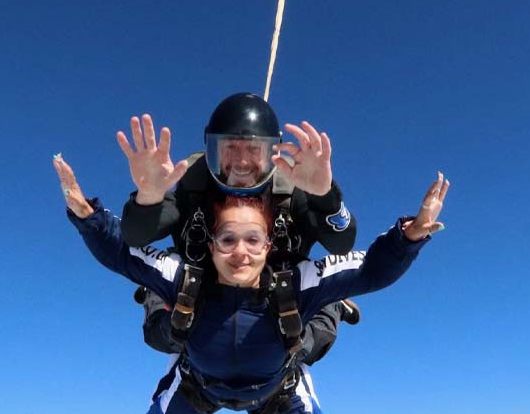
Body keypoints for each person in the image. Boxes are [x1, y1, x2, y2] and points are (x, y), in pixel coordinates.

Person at [53, 154, 449, 414]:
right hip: (200, 385)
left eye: (252, 240)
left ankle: (332, 302)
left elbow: (373, 271)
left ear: (267, 247)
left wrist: (410, 235)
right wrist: (86, 215)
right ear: (211, 246)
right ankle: (165, 317)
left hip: (275, 390)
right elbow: (120, 253)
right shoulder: (187, 279)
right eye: (228, 239)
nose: (240, 252)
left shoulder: (296, 284)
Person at [116, 93, 359, 359]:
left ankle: (331, 304)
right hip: (200, 296)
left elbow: (342, 243)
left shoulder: (291, 185)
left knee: (301, 342)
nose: (241, 162)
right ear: (213, 149)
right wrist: (149, 196)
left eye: (253, 149)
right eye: (230, 147)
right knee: (165, 319)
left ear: (271, 152)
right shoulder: (195, 183)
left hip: (279, 297)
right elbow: (136, 236)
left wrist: (325, 196)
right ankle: (172, 318)